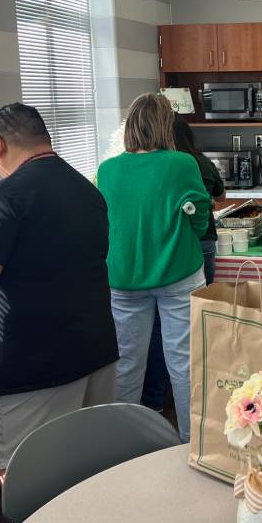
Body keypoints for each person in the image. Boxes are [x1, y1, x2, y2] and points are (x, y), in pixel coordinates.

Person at [0, 103, 118, 484]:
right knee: (87, 474)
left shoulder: (2, 199)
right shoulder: (88, 192)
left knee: (26, 483)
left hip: (32, 369)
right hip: (96, 354)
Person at [96, 94, 210, 442]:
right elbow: (201, 219)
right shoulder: (181, 164)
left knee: (127, 366)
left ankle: (122, 447)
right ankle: (192, 444)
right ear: (165, 126)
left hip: (124, 278)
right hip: (179, 273)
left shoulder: (107, 170)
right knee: (185, 363)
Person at [140, 114, 226, 412]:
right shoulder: (199, 162)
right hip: (201, 245)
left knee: (159, 329)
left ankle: (155, 399)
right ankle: (202, 397)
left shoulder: (155, 167)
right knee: (199, 322)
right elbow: (219, 195)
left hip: (166, 250)